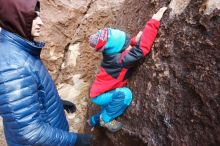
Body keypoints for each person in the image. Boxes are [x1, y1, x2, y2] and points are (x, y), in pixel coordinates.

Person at [0, 0, 92, 145]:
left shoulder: (20, 49)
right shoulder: (13, 65)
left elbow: (29, 95)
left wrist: (55, 102)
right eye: (33, 17)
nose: (40, 22)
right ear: (16, 18)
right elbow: (29, 133)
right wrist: (75, 140)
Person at [88, 7, 168, 132]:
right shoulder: (120, 60)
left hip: (98, 92)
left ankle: (92, 121)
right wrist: (154, 21)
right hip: (100, 95)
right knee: (124, 95)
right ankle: (106, 119)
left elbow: (123, 46)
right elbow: (141, 49)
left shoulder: (110, 54)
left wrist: (133, 41)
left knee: (109, 105)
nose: (127, 42)